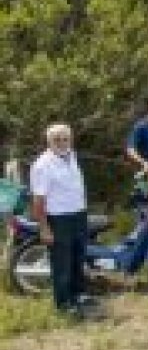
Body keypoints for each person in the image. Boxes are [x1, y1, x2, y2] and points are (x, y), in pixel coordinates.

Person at [29, 124, 91, 317]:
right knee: (62, 263)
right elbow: (38, 200)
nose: (62, 143)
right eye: (57, 139)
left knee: (78, 258)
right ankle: (64, 304)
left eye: (66, 139)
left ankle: (79, 295)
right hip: (59, 218)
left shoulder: (72, 156)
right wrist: (44, 228)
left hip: (78, 215)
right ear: (49, 141)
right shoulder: (42, 165)